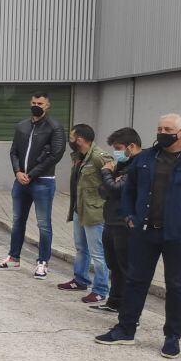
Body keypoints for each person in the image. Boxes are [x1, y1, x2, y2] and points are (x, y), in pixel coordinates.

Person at [96, 114, 181, 360]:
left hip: (178, 234)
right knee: (135, 280)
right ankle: (125, 329)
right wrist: (128, 216)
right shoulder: (145, 158)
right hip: (144, 231)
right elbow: (129, 189)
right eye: (159, 128)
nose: (162, 132)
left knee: (176, 286)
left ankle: (172, 337)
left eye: (168, 129)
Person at [0, 93, 67, 279]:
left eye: (40, 103)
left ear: (48, 105)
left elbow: (55, 155)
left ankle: (42, 262)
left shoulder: (55, 127)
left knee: (44, 224)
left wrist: (31, 175)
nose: (36, 105)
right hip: (20, 181)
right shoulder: (22, 126)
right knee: (17, 221)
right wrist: (18, 172)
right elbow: (14, 151)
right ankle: (13, 257)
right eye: (33, 102)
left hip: (43, 181)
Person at [57, 124, 112, 303]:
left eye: (72, 137)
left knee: (98, 253)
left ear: (79, 139)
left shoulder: (98, 157)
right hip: (79, 209)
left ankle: (101, 289)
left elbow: (113, 179)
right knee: (81, 248)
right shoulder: (79, 157)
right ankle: (80, 280)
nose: (70, 141)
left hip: (93, 212)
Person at [92, 128, 142, 313]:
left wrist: (106, 173)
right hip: (111, 219)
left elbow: (115, 189)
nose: (116, 152)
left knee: (125, 265)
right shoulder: (122, 164)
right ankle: (114, 301)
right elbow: (104, 191)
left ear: (131, 146)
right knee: (113, 264)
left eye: (119, 148)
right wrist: (110, 179)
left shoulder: (137, 165)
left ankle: (128, 307)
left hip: (125, 222)